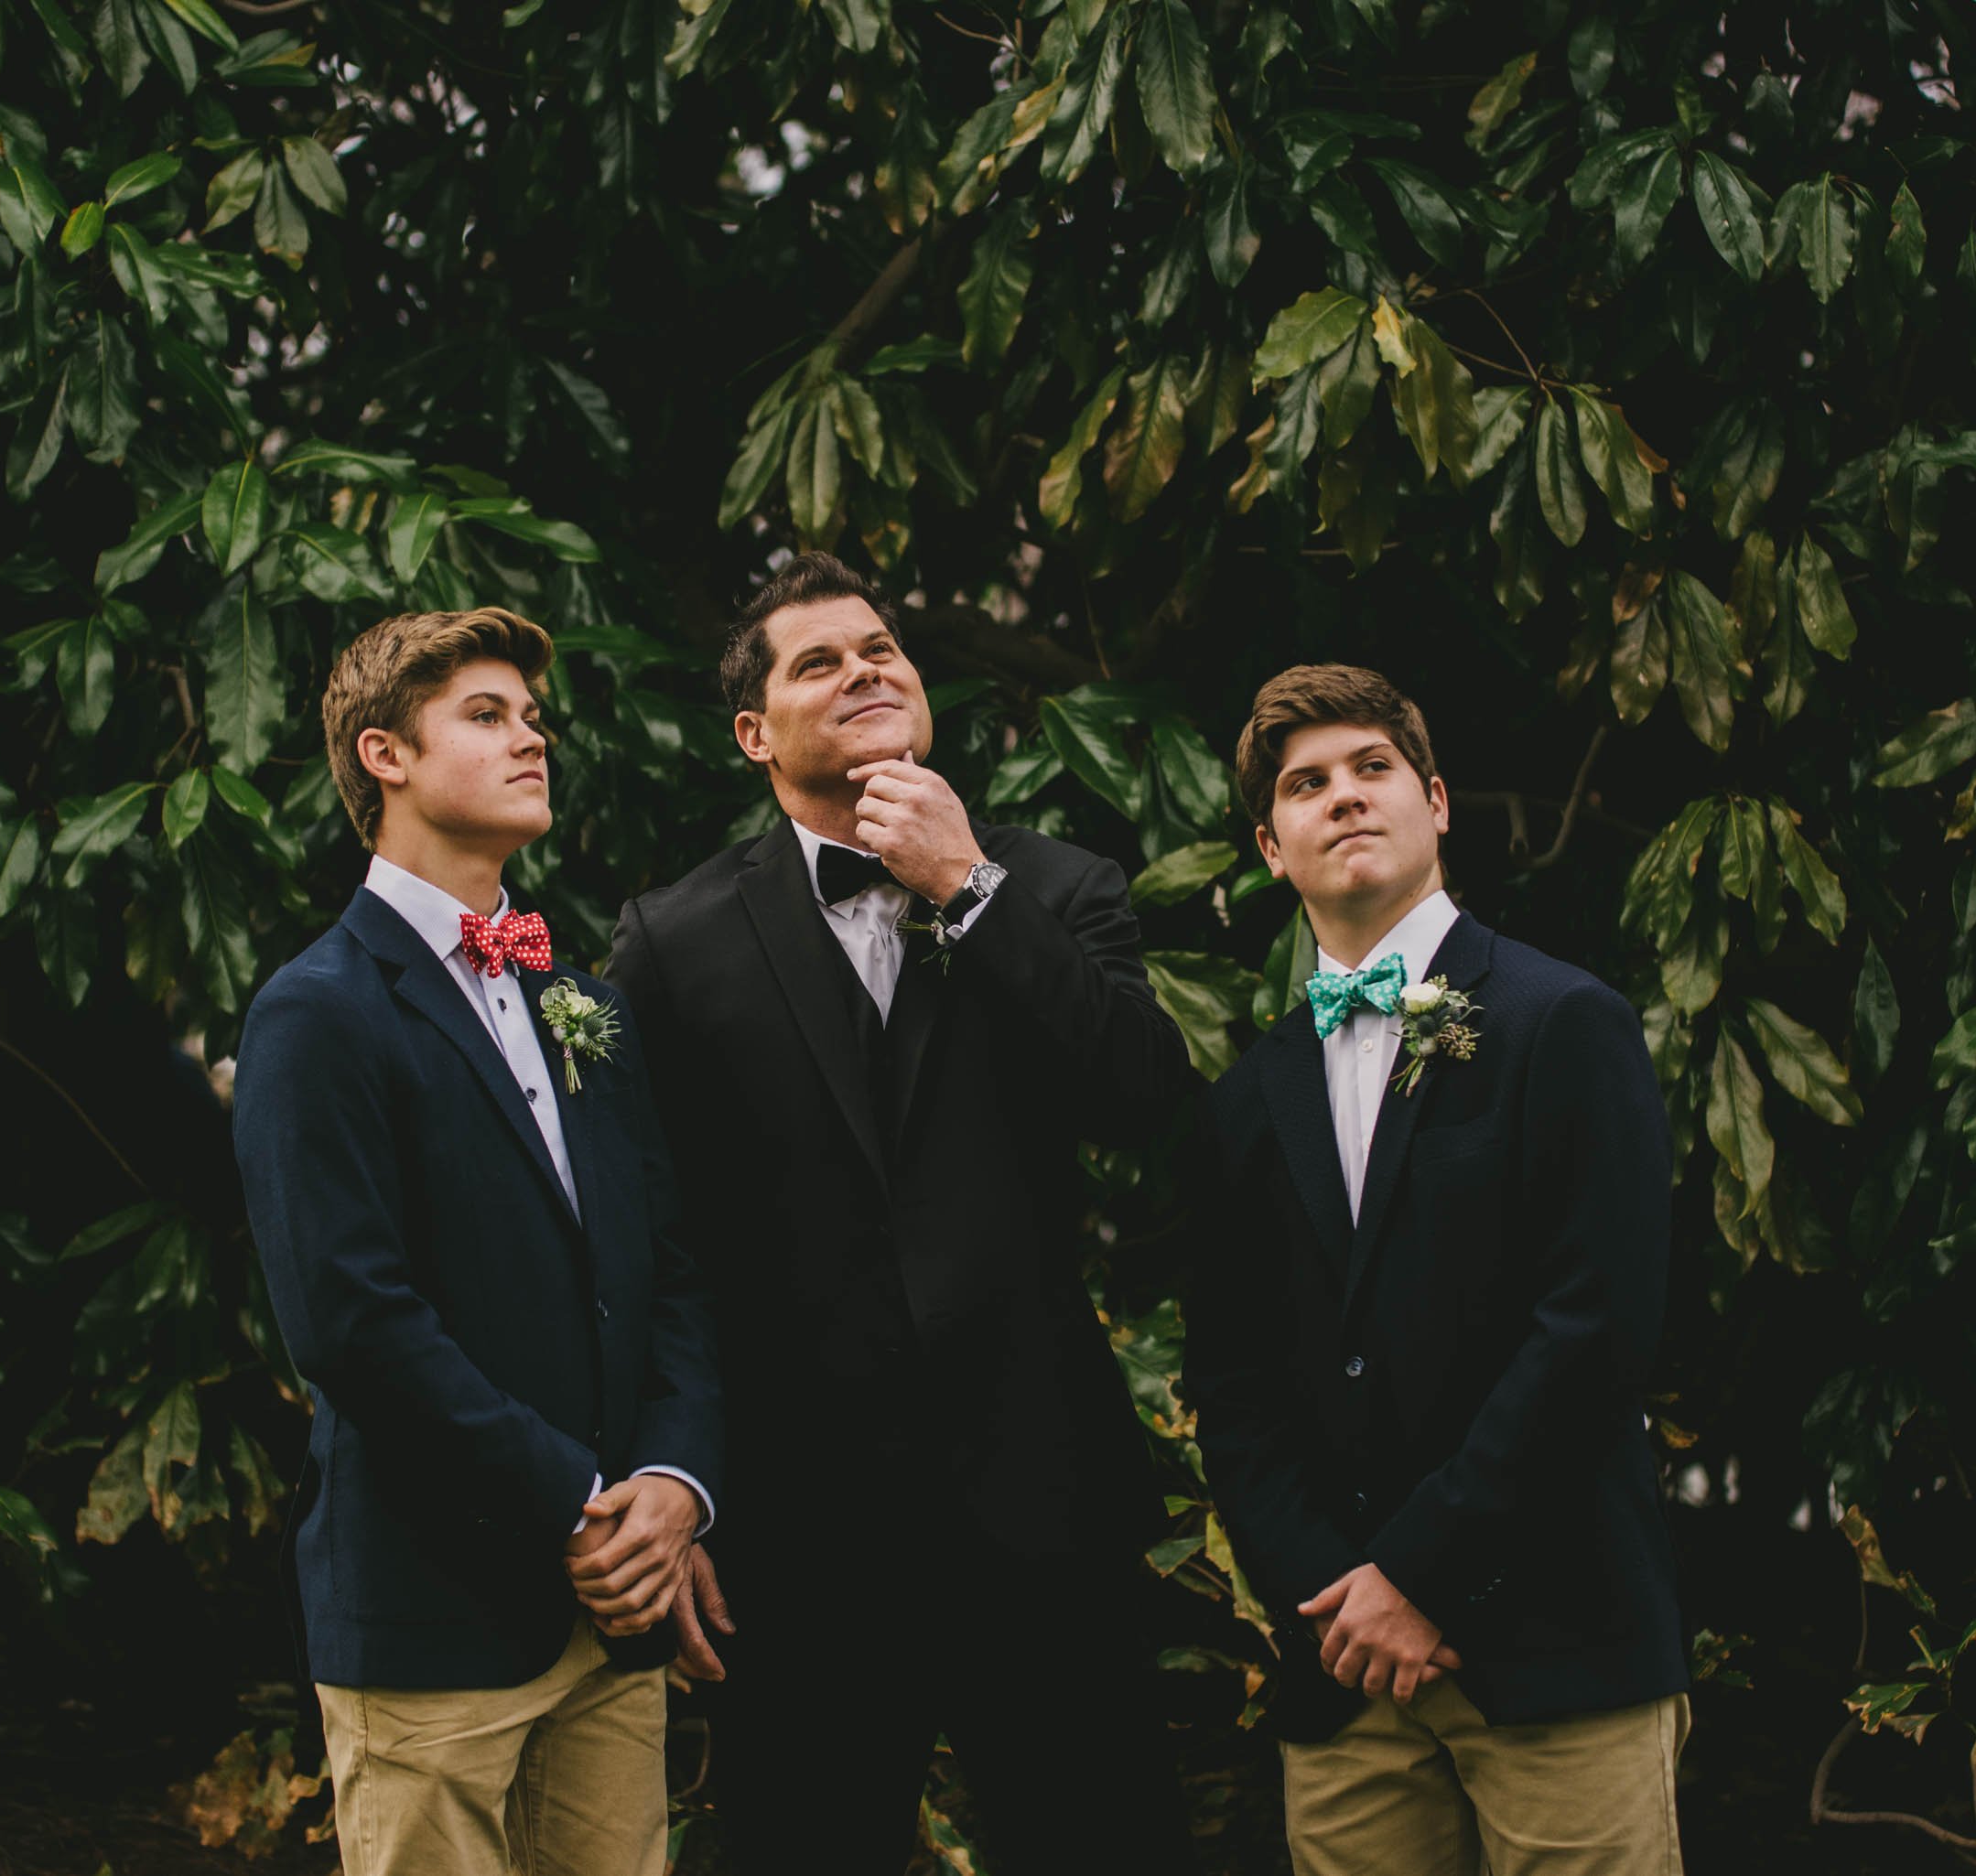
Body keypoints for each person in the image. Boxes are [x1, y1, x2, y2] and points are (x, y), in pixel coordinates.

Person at [604, 553, 1197, 1873]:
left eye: (882, 647)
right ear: (756, 732)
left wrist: (966, 888)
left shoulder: (1056, 883)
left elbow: (1145, 1096)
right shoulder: (670, 937)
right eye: (821, 660)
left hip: (1043, 1504)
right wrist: (676, 1475)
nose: (869, 666)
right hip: (800, 1532)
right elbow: (647, 1242)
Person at [232, 606, 722, 1876]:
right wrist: (574, 1499)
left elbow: (666, 1270)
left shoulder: (580, 1002)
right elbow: (350, 1320)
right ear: (385, 756)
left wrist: (674, 1484)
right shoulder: (316, 1011)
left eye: (535, 717)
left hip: (612, 1618)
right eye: (488, 715)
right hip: (431, 1614)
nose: (532, 738)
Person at [1184, 663, 1690, 1876]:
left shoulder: (1563, 1023)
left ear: (1439, 802)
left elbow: (1596, 1328)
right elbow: (1237, 1383)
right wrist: (1335, 1593)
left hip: (1557, 1643)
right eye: (1307, 785)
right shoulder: (1248, 1097)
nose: (1345, 797)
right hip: (1347, 1674)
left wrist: (1421, 1571)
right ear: (1270, 844)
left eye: (1373, 769)